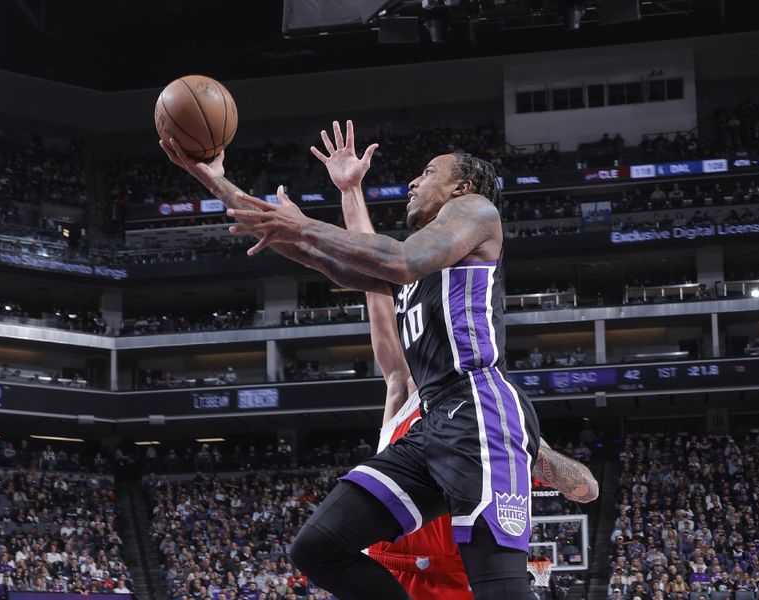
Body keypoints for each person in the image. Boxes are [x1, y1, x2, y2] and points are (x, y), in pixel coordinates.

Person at [160, 121, 595, 599]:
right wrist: (212, 177)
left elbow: (397, 258)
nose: (413, 182)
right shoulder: (414, 264)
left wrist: (304, 223)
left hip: (479, 411)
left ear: (461, 187)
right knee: (317, 548)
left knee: (499, 591)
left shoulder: (477, 211)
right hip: (433, 424)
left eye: (428, 172)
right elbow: (305, 247)